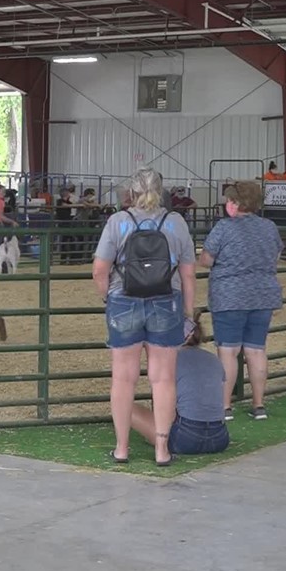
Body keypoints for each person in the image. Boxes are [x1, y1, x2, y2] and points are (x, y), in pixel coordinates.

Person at [93, 167, 196, 466]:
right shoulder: (176, 223)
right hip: (167, 302)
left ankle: (122, 448)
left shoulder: (118, 222)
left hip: (123, 301)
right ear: (162, 192)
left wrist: (107, 297)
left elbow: (99, 270)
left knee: (123, 379)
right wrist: (188, 313)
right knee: (163, 379)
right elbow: (189, 274)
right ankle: (162, 449)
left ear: (132, 192)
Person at [197, 181, 282, 420]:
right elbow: (275, 255)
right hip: (263, 294)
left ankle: (225, 407)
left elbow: (206, 260)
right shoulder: (269, 227)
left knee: (228, 351)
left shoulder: (224, 228)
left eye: (229, 200)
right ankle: (259, 405)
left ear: (236, 203)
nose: (226, 204)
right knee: (256, 350)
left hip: (230, 296)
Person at [130, 313, 229, 456]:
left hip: (185, 439)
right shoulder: (214, 359)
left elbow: (165, 406)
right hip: (220, 438)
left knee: (126, 407)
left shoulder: (168, 361)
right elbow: (223, 402)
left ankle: (158, 441)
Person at [55, 185, 76, 264]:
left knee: (70, 240)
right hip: (63, 223)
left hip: (68, 222)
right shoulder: (59, 201)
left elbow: (71, 204)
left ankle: (70, 259)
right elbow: (68, 205)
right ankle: (63, 259)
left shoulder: (68, 202)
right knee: (65, 240)